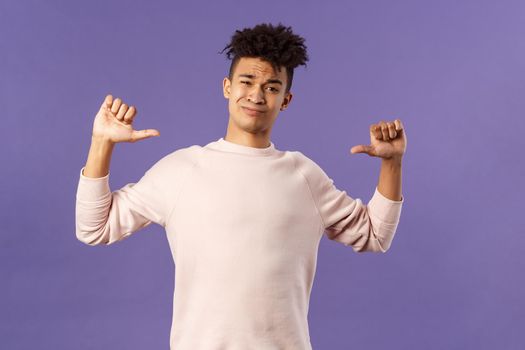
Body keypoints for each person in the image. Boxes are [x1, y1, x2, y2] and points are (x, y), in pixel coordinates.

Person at [76, 22, 406, 350]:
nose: (256, 95)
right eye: (247, 81)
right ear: (227, 87)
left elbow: (375, 234)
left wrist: (392, 163)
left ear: (286, 100)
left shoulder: (303, 176)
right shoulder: (182, 169)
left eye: (272, 87)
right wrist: (101, 143)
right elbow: (95, 227)